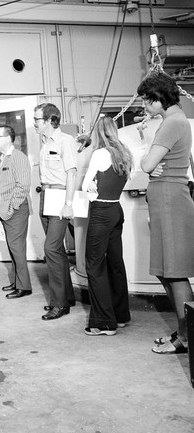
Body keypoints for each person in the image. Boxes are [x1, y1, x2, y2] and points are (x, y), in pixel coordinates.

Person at [137, 71, 194, 354]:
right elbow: (151, 164)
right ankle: (184, 330)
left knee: (175, 272)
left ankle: (186, 336)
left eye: (147, 100)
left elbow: (147, 165)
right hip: (165, 198)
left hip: (170, 198)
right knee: (164, 271)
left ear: (159, 98)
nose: (145, 106)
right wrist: (149, 162)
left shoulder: (172, 123)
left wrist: (148, 161)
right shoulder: (175, 121)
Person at [81, 116, 133, 336]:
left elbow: (86, 187)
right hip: (116, 209)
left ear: (99, 133)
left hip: (102, 211)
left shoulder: (100, 154)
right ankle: (121, 316)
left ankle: (104, 323)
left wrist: (92, 190)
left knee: (94, 264)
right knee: (115, 262)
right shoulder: (124, 153)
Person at [34, 103, 77, 320]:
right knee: (57, 249)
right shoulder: (44, 142)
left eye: (37, 120)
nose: (35, 123)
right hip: (46, 196)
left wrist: (68, 203)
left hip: (60, 197)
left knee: (50, 248)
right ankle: (67, 297)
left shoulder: (65, 141)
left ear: (51, 120)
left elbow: (71, 174)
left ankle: (59, 304)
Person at [0, 125, 33, 299]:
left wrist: (11, 208)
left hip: (16, 211)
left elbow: (23, 186)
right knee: (12, 248)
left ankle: (24, 286)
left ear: (8, 138)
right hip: (6, 211)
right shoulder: (3, 158)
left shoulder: (18, 157)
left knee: (17, 249)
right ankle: (17, 281)